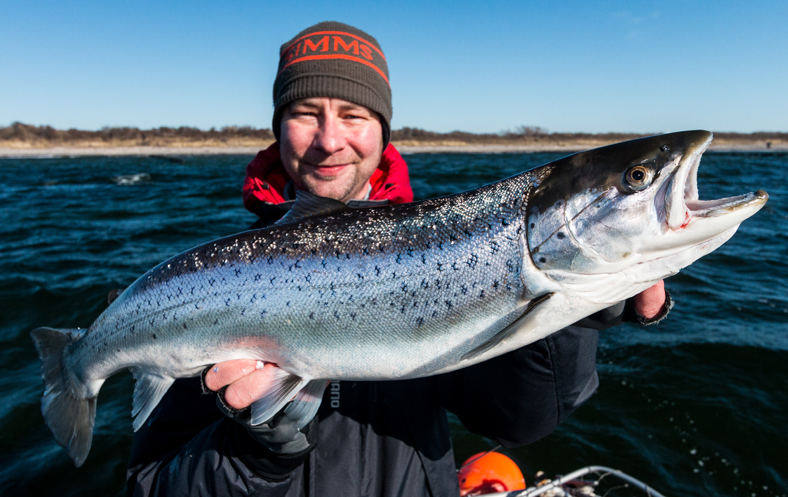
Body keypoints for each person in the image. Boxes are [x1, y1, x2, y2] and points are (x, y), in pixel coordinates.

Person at [127, 21, 670, 496]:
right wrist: (253, 455)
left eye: (354, 114)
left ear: (383, 131)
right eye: (305, 113)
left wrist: (568, 315)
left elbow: (521, 421)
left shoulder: (448, 251)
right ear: (279, 128)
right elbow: (147, 485)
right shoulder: (206, 284)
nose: (330, 139)